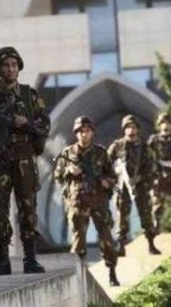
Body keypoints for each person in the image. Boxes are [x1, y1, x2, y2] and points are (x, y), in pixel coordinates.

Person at [0, 46, 49, 276]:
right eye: (6, 65)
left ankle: (30, 258)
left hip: (23, 159)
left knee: (28, 208)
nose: (10, 69)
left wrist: (26, 123)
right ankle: (2, 260)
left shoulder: (29, 95)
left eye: (14, 65)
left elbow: (44, 126)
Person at [54, 116, 119, 286]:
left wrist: (107, 182)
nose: (84, 134)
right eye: (80, 131)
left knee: (106, 239)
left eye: (87, 131)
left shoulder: (100, 153)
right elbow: (58, 176)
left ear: (92, 132)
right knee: (78, 242)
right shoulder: (67, 153)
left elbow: (112, 175)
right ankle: (78, 276)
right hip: (78, 202)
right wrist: (69, 171)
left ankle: (112, 272)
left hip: (98, 201)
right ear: (76, 133)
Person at [108, 115, 161, 256]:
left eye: (133, 127)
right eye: (128, 127)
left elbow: (151, 168)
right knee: (122, 216)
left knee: (146, 215)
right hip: (122, 187)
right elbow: (105, 163)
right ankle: (121, 246)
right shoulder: (117, 146)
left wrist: (141, 178)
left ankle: (151, 244)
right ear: (124, 129)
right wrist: (115, 172)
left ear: (137, 129)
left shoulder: (144, 147)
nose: (130, 130)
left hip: (140, 186)